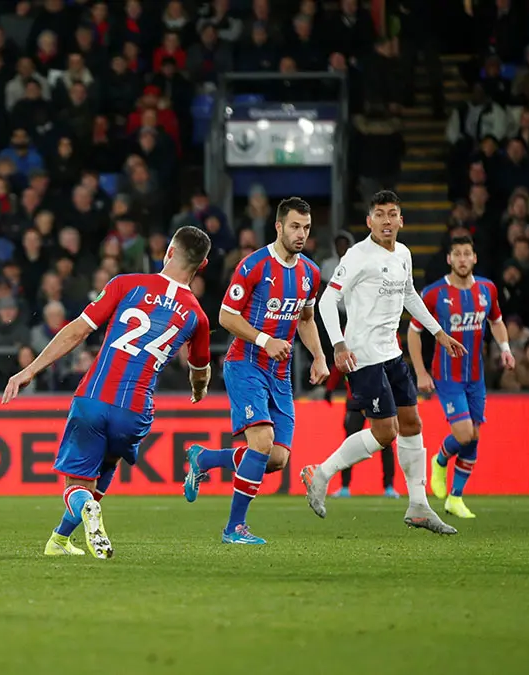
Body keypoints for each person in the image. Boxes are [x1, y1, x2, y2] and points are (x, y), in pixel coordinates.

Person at [2, 226, 214, 559]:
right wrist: (198, 391)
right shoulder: (198, 317)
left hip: (95, 398)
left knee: (76, 486)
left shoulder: (126, 284)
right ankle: (59, 541)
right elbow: (200, 369)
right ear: (201, 266)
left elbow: (76, 332)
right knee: (107, 463)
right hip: (135, 412)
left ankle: (86, 509)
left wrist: (30, 370)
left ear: (169, 251)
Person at [303, 190, 465, 534]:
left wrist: (437, 333)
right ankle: (323, 473)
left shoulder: (403, 254)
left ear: (401, 220)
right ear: (369, 221)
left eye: (392, 214)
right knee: (384, 432)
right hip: (362, 357)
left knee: (412, 424)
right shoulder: (358, 255)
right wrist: (339, 345)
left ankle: (418, 506)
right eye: (380, 214)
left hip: (391, 354)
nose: (387, 220)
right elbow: (326, 301)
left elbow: (409, 294)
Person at [181, 197, 330, 545]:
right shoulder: (253, 266)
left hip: (279, 374)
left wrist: (319, 357)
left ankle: (204, 458)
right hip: (244, 363)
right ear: (278, 226)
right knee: (261, 443)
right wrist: (264, 340)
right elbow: (225, 316)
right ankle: (234, 528)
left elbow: (305, 319)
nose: (301, 234)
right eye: (294, 226)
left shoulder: (310, 272)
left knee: (276, 458)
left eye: (306, 228)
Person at [407, 235, 516, 520]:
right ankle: (440, 459)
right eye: (457, 254)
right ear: (449, 259)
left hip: (476, 376)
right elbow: (414, 332)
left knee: (474, 436)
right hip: (447, 375)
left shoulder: (488, 289)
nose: (463, 259)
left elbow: (496, 321)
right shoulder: (433, 293)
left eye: (467, 253)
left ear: (475, 258)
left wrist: (505, 349)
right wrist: (420, 372)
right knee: (464, 433)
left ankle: (455, 498)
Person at [333, 382, 398, 498]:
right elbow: (339, 370)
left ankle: (389, 486)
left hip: (376, 399)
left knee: (386, 441)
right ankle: (344, 486)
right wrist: (330, 387)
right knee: (349, 444)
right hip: (356, 402)